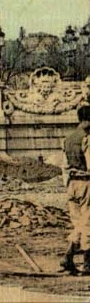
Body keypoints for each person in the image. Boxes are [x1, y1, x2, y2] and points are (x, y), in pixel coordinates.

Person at [61, 104, 90, 275]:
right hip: (85, 183)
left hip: (71, 184)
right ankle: (87, 264)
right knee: (87, 223)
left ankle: (68, 256)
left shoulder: (68, 139)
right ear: (87, 121)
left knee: (79, 223)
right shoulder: (87, 139)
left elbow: (64, 165)